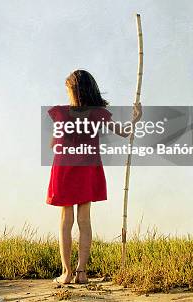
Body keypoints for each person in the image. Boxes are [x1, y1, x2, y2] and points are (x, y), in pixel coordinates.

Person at [46, 69, 142, 284]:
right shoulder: (97, 113)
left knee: (65, 221)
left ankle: (67, 273)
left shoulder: (60, 113)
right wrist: (136, 119)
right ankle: (81, 272)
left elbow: (53, 144)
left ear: (72, 90)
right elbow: (124, 132)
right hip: (87, 168)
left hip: (64, 169)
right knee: (84, 219)